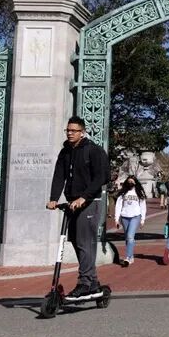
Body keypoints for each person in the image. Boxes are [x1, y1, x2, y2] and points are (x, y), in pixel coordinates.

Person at [47, 116, 110, 301]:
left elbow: (102, 177)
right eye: (67, 130)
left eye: (73, 131)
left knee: (85, 242)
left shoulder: (93, 150)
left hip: (90, 201)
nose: (69, 133)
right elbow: (59, 175)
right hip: (72, 202)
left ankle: (85, 282)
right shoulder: (65, 151)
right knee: (75, 240)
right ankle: (92, 282)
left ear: (82, 132)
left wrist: (84, 197)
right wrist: (53, 198)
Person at [113, 175, 146, 267]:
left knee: (130, 237)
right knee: (128, 238)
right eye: (129, 181)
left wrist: (142, 219)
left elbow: (143, 206)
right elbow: (118, 206)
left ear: (135, 183)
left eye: (132, 182)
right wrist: (116, 219)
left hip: (135, 216)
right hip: (124, 217)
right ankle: (131, 257)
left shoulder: (139, 192)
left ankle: (127, 257)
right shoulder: (123, 193)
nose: (130, 183)